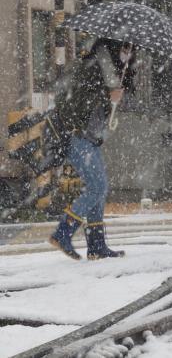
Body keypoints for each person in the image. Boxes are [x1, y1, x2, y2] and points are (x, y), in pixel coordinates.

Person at [49, 37, 134, 260]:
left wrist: (113, 99)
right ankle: (62, 232)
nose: (128, 54)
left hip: (90, 139)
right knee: (97, 187)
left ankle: (96, 245)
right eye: (125, 48)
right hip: (76, 137)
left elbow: (99, 107)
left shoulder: (107, 70)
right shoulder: (90, 65)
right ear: (115, 46)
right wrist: (108, 96)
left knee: (99, 188)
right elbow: (76, 100)